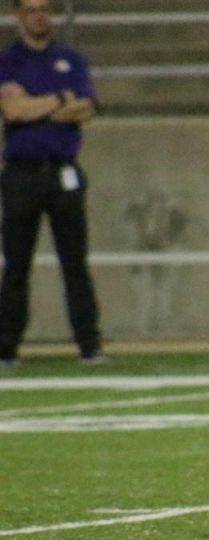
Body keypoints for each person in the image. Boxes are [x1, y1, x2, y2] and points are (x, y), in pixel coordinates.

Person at [0, 0, 103, 367]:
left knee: (75, 262)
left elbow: (86, 109)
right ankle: (7, 347)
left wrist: (34, 104)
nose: (38, 15)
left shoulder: (70, 60)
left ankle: (89, 345)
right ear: (19, 15)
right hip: (22, 173)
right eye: (30, 9)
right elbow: (12, 110)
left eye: (44, 8)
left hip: (63, 170)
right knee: (16, 264)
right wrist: (60, 100)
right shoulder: (8, 60)